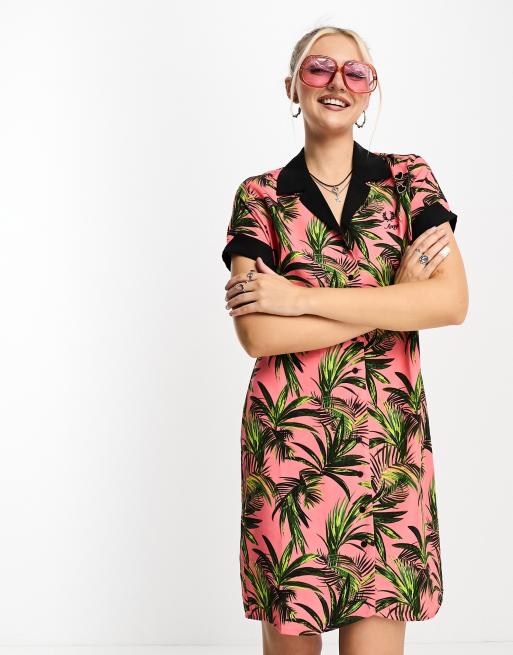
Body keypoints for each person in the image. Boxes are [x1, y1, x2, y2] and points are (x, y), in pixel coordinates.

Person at [221, 25, 468, 655]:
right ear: (292, 85)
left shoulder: (408, 179)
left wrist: (297, 298)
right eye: (319, 68)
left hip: (387, 454)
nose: (337, 83)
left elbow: (449, 302)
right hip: (289, 458)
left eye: (356, 73)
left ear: (370, 90)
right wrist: (395, 299)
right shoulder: (260, 196)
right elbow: (257, 332)